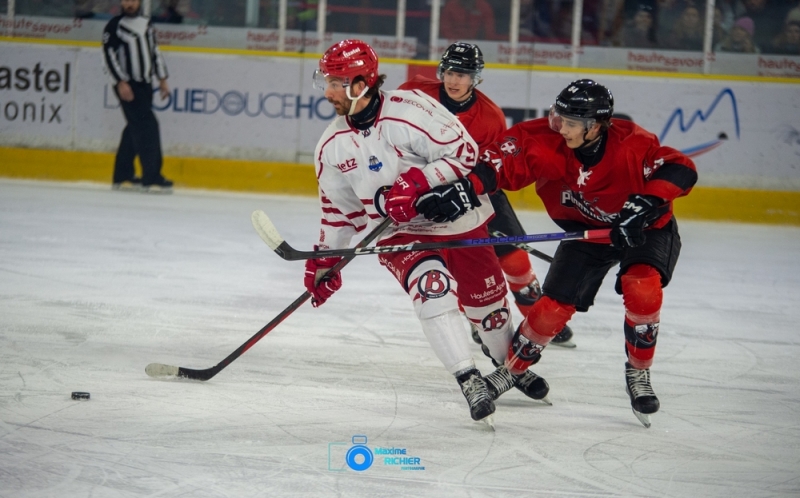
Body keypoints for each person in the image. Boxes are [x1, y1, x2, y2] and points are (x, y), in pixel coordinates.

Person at [410, 79, 698, 427]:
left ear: (596, 126)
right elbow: (498, 165)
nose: (560, 128)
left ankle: (639, 373)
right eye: (558, 117)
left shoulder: (632, 144)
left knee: (642, 288)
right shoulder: (543, 138)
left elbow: (681, 167)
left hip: (644, 231)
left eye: (571, 123)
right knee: (549, 310)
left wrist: (646, 203)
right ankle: (511, 370)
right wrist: (465, 189)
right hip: (586, 233)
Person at [303, 39, 549, 423]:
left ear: (361, 83)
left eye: (336, 82)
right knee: (431, 288)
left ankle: (508, 365)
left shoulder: (411, 110)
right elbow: (340, 215)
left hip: (458, 218)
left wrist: (419, 180)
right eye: (327, 82)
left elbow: (465, 153)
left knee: (489, 307)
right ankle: (468, 378)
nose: (328, 92)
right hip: (400, 234)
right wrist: (325, 262)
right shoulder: (331, 146)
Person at [398, 42, 576, 350]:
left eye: (462, 75)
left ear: (475, 78)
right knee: (460, 261)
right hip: (425, 191)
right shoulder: (413, 94)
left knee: (515, 258)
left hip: (475, 190)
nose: (454, 80)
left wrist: (465, 195)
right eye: (450, 72)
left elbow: (490, 168)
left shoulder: (490, 117)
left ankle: (536, 315)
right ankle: (478, 319)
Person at [103, 0, 173, 192]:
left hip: (145, 85)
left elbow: (154, 51)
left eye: (133, 0)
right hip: (128, 86)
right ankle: (151, 177)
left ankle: (122, 174)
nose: (130, 4)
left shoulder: (146, 23)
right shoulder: (114, 26)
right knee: (148, 127)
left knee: (134, 127)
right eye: (126, 0)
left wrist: (162, 79)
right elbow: (108, 56)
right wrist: (121, 82)